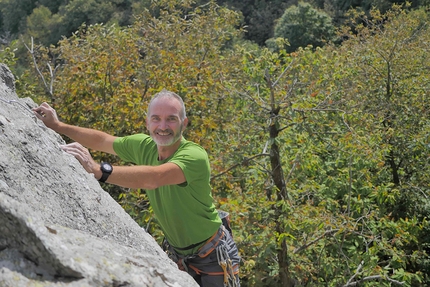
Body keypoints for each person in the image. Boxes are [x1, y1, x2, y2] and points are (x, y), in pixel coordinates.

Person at [33, 90, 240, 287]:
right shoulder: (144, 146)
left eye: (171, 119)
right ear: (147, 123)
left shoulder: (194, 156)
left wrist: (98, 170)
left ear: (183, 123)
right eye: (156, 118)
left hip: (213, 256)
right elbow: (103, 140)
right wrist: (58, 126)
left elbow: (154, 178)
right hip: (179, 255)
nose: (163, 126)